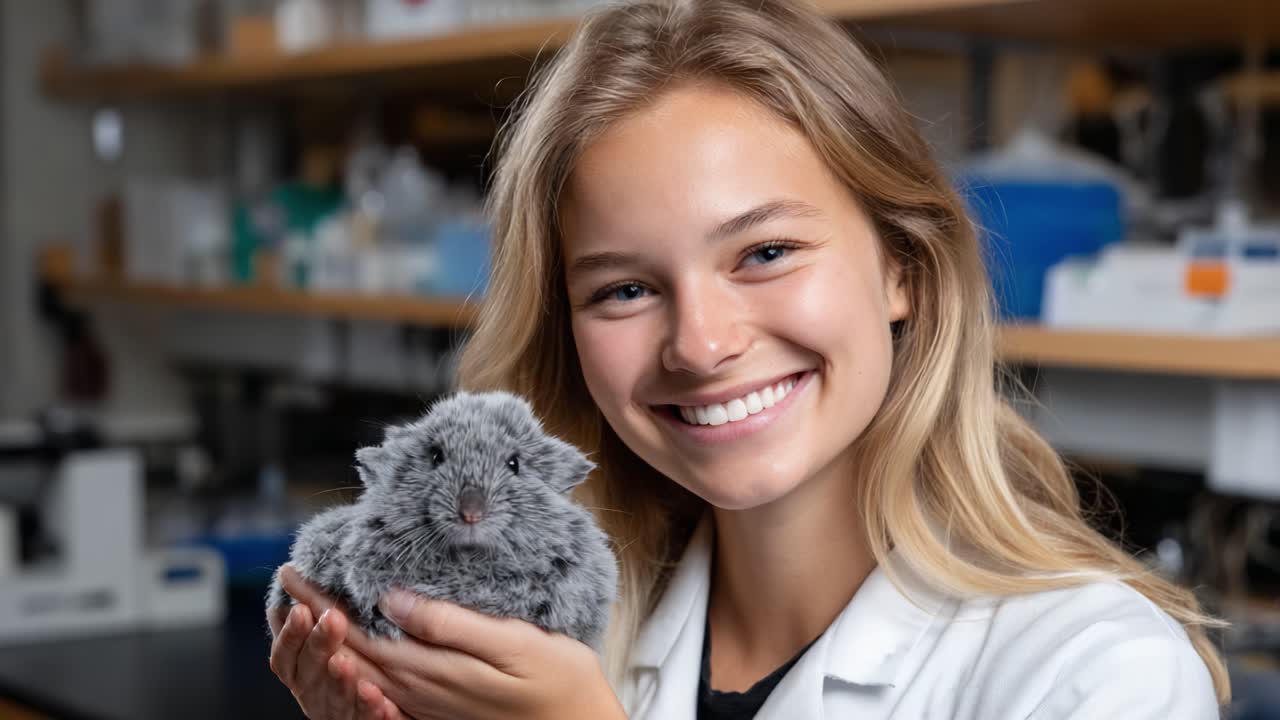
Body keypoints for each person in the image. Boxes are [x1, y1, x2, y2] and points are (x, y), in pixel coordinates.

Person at [267, 1, 1230, 717]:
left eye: (765, 253)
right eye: (624, 290)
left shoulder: (1099, 672)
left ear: (904, 266)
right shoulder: (555, 646)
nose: (701, 342)